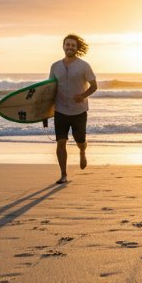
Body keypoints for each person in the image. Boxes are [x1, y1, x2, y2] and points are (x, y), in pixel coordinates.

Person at [48, 34, 97, 184]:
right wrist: (44, 110)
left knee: (80, 140)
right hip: (60, 110)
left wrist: (82, 96)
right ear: (63, 46)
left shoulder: (84, 66)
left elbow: (94, 86)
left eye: (73, 45)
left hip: (79, 111)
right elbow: (50, 88)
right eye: (67, 44)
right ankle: (63, 175)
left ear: (77, 48)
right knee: (60, 143)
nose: (70, 47)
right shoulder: (55, 66)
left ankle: (82, 150)